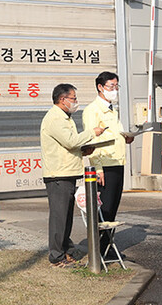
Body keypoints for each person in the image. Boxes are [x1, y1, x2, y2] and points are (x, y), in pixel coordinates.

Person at [40, 83, 105, 268]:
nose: (76, 102)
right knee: (59, 217)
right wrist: (93, 133)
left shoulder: (64, 118)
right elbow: (70, 142)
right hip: (58, 175)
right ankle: (56, 256)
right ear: (62, 99)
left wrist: (83, 150)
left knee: (66, 216)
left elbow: (68, 146)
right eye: (73, 99)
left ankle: (65, 250)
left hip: (66, 172)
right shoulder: (55, 118)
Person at [82, 71, 134, 258]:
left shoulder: (112, 109)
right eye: (111, 87)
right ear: (100, 87)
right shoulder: (92, 110)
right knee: (103, 209)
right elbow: (91, 141)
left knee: (112, 209)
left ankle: (107, 247)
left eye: (116, 86)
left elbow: (113, 135)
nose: (114, 90)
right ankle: (98, 250)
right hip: (104, 166)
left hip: (117, 163)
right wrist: (98, 168)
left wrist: (126, 138)